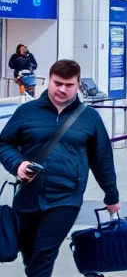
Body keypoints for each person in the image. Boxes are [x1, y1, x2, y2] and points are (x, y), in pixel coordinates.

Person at [0, 59, 120, 277]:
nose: (62, 90)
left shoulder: (89, 117)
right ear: (50, 80)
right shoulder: (27, 112)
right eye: (58, 83)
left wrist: (111, 195)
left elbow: (102, 158)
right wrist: (17, 164)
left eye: (69, 85)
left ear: (78, 85)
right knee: (30, 256)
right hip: (28, 196)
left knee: (44, 253)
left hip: (66, 197)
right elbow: (4, 143)